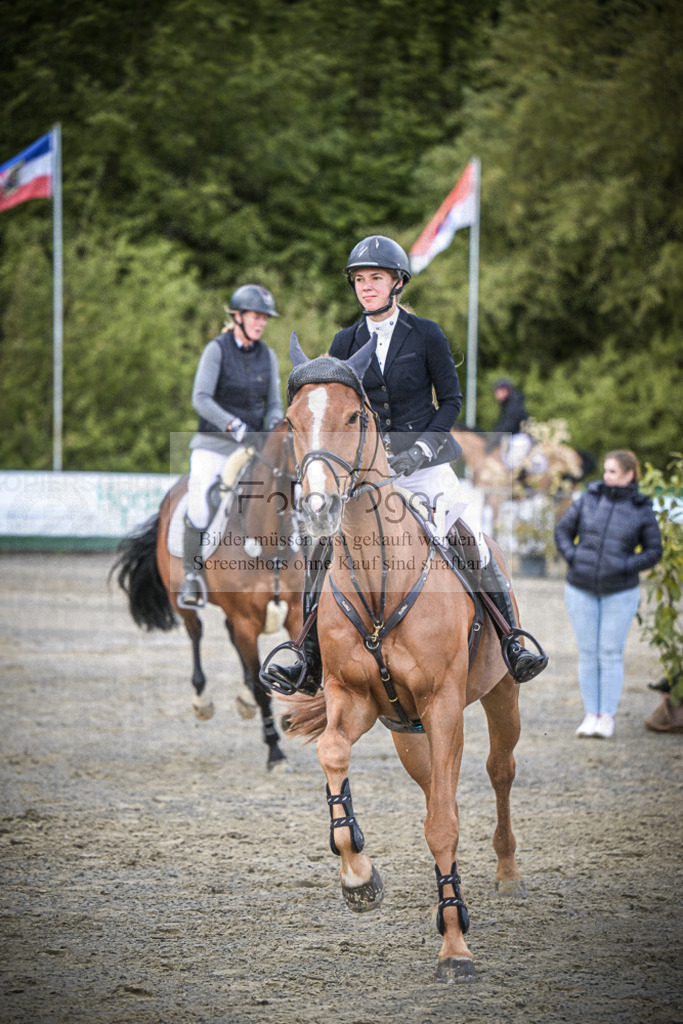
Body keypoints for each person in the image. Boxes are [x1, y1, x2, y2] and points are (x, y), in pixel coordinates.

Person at [266, 235, 547, 693]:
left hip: (426, 467)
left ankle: (512, 639)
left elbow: (451, 401)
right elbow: (335, 409)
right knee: (323, 549)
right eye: (359, 279)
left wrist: (422, 449)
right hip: (366, 478)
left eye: (375, 278)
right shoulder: (345, 340)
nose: (366, 287)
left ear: (397, 283)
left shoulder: (426, 335)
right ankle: (307, 653)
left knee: (470, 538)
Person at [178, 284, 284, 608]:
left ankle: (277, 567)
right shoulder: (217, 349)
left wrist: (272, 426)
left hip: (254, 447)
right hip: (215, 445)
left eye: (264, 318)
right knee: (199, 506)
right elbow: (200, 398)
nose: (261, 322)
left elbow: (275, 404)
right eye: (255, 316)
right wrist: (235, 426)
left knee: (279, 496)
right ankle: (191, 575)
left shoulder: (267, 355)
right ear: (237, 317)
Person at [554, 450, 663, 739]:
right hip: (580, 588)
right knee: (588, 654)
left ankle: (608, 717)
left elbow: (654, 551)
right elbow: (563, 531)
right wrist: (574, 557)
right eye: (605, 470)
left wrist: (625, 566)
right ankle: (592, 715)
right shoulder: (588, 499)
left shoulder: (642, 509)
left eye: (613, 471)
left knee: (610, 654)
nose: (606, 476)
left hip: (620, 592)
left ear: (629, 475)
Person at [486, 377, 532, 469]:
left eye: (498, 391)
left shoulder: (514, 405)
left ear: (505, 391)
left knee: (512, 463)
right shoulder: (508, 404)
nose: (496, 394)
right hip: (513, 438)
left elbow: (508, 426)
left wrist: (494, 440)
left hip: (520, 438)